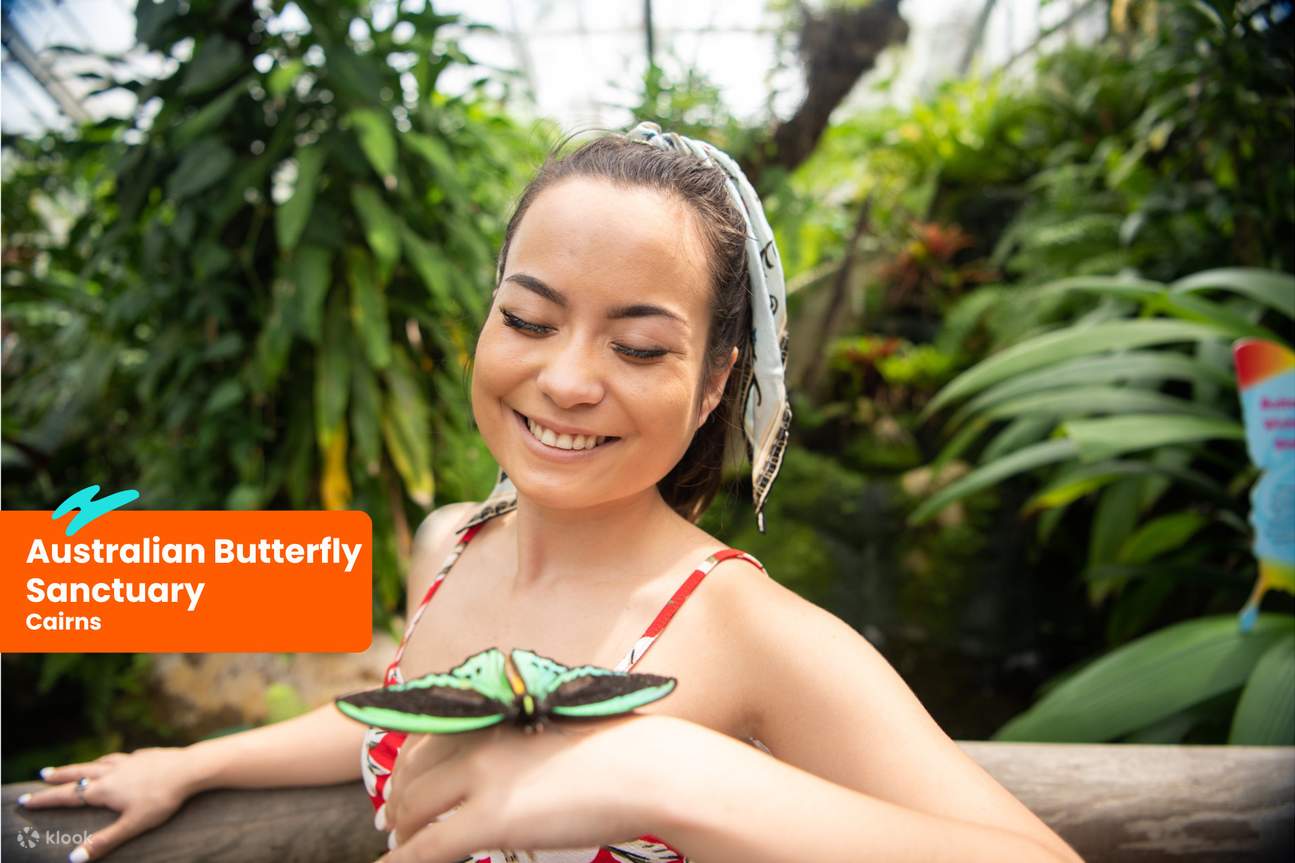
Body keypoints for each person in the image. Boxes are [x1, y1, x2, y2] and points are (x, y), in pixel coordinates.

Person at [17, 122, 1084, 863]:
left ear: (716, 379)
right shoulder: (452, 542)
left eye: (636, 343)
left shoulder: (743, 629)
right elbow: (404, 717)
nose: (566, 379)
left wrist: (673, 772)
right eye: (528, 320)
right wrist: (191, 764)